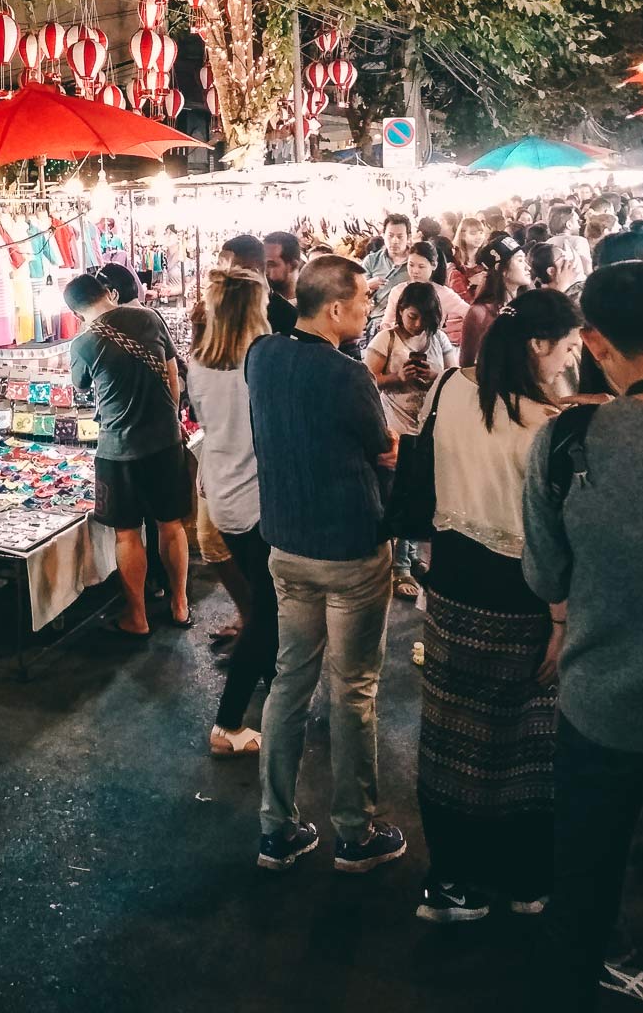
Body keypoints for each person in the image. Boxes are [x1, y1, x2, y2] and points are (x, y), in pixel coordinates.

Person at [523, 263, 643, 1007]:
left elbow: (545, 576)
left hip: (601, 705)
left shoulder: (568, 440)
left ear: (594, 340)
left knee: (585, 878)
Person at [414, 290, 580, 925]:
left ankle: (452, 881)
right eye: (567, 349)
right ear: (538, 345)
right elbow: (552, 539)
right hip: (524, 597)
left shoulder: (451, 386)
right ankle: (526, 879)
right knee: (526, 744)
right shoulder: (548, 427)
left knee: (453, 734)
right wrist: (561, 621)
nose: (569, 363)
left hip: (451, 582)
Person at [247, 255, 405, 875]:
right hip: (350, 551)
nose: (369, 309)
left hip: (286, 545)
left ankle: (275, 828)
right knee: (354, 687)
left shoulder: (262, 356)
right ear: (336, 309)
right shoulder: (348, 376)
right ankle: (354, 833)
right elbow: (379, 447)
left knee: (290, 682)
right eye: (365, 300)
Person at [63, 273, 190, 635]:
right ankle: (180, 605)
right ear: (109, 293)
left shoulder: (84, 342)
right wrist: (170, 418)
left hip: (118, 449)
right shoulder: (150, 318)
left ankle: (138, 617)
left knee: (127, 534)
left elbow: (81, 385)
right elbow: (173, 377)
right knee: (171, 524)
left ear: (75, 312)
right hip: (166, 442)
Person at [187, 266, 278, 757]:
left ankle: (271, 673)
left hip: (221, 492)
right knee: (267, 612)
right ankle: (226, 725)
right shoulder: (258, 363)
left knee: (264, 605)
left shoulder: (199, 363)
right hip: (256, 499)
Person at [365, 281, 459, 598]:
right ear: (402, 310)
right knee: (397, 495)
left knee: (418, 494)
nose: (417, 324)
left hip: (426, 430)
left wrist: (433, 377)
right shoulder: (386, 339)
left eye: (423, 318)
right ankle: (399, 566)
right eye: (411, 316)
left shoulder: (438, 338)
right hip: (394, 429)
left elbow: (454, 375)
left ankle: (410, 557)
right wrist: (398, 378)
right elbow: (367, 379)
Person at [379, 241, 469, 347]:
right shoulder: (397, 291)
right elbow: (387, 322)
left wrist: (450, 331)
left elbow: (470, 313)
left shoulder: (443, 293)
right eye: (411, 265)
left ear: (434, 265)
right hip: (399, 346)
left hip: (432, 347)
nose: (415, 271)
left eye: (421, 267)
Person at [459, 234, 531, 369]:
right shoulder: (479, 313)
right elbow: (466, 365)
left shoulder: (529, 304)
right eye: (520, 260)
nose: (528, 267)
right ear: (501, 269)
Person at [362, 213, 412, 334]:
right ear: (383, 235)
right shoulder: (372, 260)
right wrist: (368, 285)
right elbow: (356, 292)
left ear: (408, 237)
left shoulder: (416, 261)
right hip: (378, 321)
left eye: (400, 236)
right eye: (390, 236)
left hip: (408, 321)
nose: (395, 241)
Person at [264, 231, 303, 334]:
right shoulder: (260, 306)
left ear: (293, 265)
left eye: (271, 264)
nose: (264, 271)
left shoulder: (313, 306)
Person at [448, 216, 489, 304]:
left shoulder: (486, 260)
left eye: (481, 233)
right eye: (473, 233)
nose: (479, 237)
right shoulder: (453, 261)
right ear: (462, 235)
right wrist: (470, 282)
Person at [548, 203, 594, 278]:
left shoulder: (547, 242)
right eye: (577, 221)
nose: (579, 226)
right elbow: (587, 270)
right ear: (569, 225)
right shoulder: (579, 241)